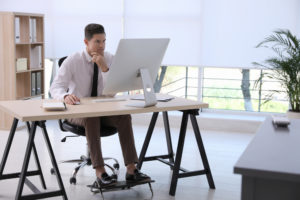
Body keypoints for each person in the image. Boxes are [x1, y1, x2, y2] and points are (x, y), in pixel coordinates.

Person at [50, 23, 150, 186]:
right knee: (91, 118)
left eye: (104, 41)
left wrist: (104, 68)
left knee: (124, 116)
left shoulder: (110, 58)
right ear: (86, 42)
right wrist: (65, 95)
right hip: (78, 112)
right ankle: (100, 172)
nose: (102, 46)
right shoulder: (73, 60)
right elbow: (55, 88)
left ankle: (132, 170)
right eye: (97, 41)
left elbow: (111, 93)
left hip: (103, 111)